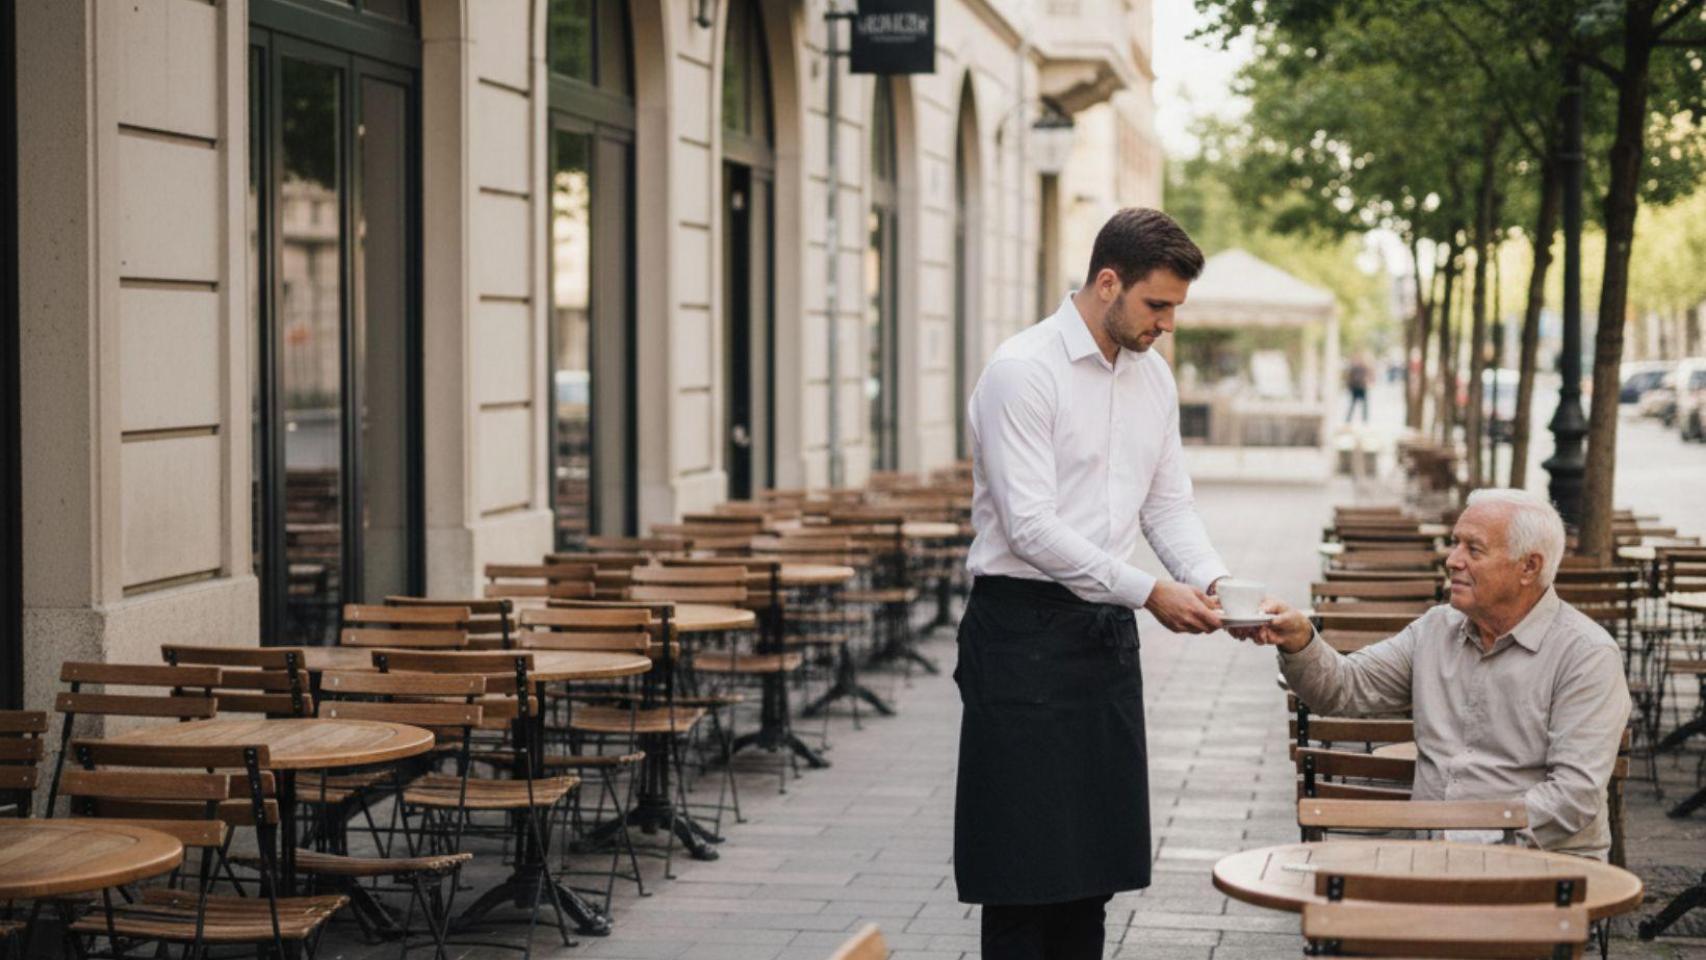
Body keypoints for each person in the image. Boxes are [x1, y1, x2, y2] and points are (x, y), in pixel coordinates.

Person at [956, 207, 1234, 959]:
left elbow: (1167, 504)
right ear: (1107, 281)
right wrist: (1149, 592)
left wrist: (1216, 583)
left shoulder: (1153, 379)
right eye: (1157, 304)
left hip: (1102, 638)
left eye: (1175, 307)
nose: (1167, 324)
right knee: (1021, 877)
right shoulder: (1023, 371)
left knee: (1091, 873)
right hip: (1019, 635)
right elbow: (1031, 529)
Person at [1241, 488, 1630, 859]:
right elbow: (1344, 688)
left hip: (1540, 864)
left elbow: (1572, 797)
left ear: (1529, 567)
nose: (1452, 559)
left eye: (1473, 549)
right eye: (1455, 542)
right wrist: (1299, 640)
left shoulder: (1586, 655)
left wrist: (1459, 838)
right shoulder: (1437, 629)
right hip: (1433, 856)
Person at [1345, 355, 1371, 422]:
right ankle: (1349, 419)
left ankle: (1364, 418)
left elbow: (1368, 376)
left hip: (1361, 387)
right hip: (1356, 387)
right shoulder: (1354, 368)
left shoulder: (1363, 368)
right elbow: (1350, 378)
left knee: (1363, 404)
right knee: (1353, 404)